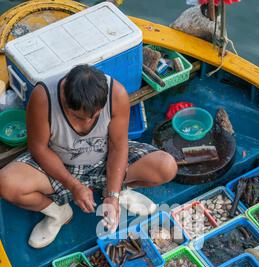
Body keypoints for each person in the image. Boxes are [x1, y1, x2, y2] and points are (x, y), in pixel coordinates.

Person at [0, 65, 177, 248]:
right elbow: (39, 149)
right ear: (64, 99)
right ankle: (58, 213)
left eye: (95, 116)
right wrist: (73, 184)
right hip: (59, 164)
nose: (88, 122)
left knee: (166, 167)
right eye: (79, 117)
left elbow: (118, 146)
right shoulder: (44, 98)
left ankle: (118, 191)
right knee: (6, 183)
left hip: (104, 158)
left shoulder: (116, 94)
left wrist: (112, 194)